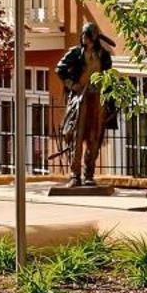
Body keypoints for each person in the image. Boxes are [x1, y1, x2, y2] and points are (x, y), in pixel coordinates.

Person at [54, 20, 116, 187]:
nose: (84, 39)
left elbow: (109, 77)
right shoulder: (75, 53)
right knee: (77, 135)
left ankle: (89, 174)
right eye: (83, 36)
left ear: (94, 38)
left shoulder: (103, 56)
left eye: (87, 36)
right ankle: (75, 175)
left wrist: (110, 100)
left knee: (95, 137)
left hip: (97, 99)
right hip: (80, 99)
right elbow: (59, 69)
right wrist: (72, 85)